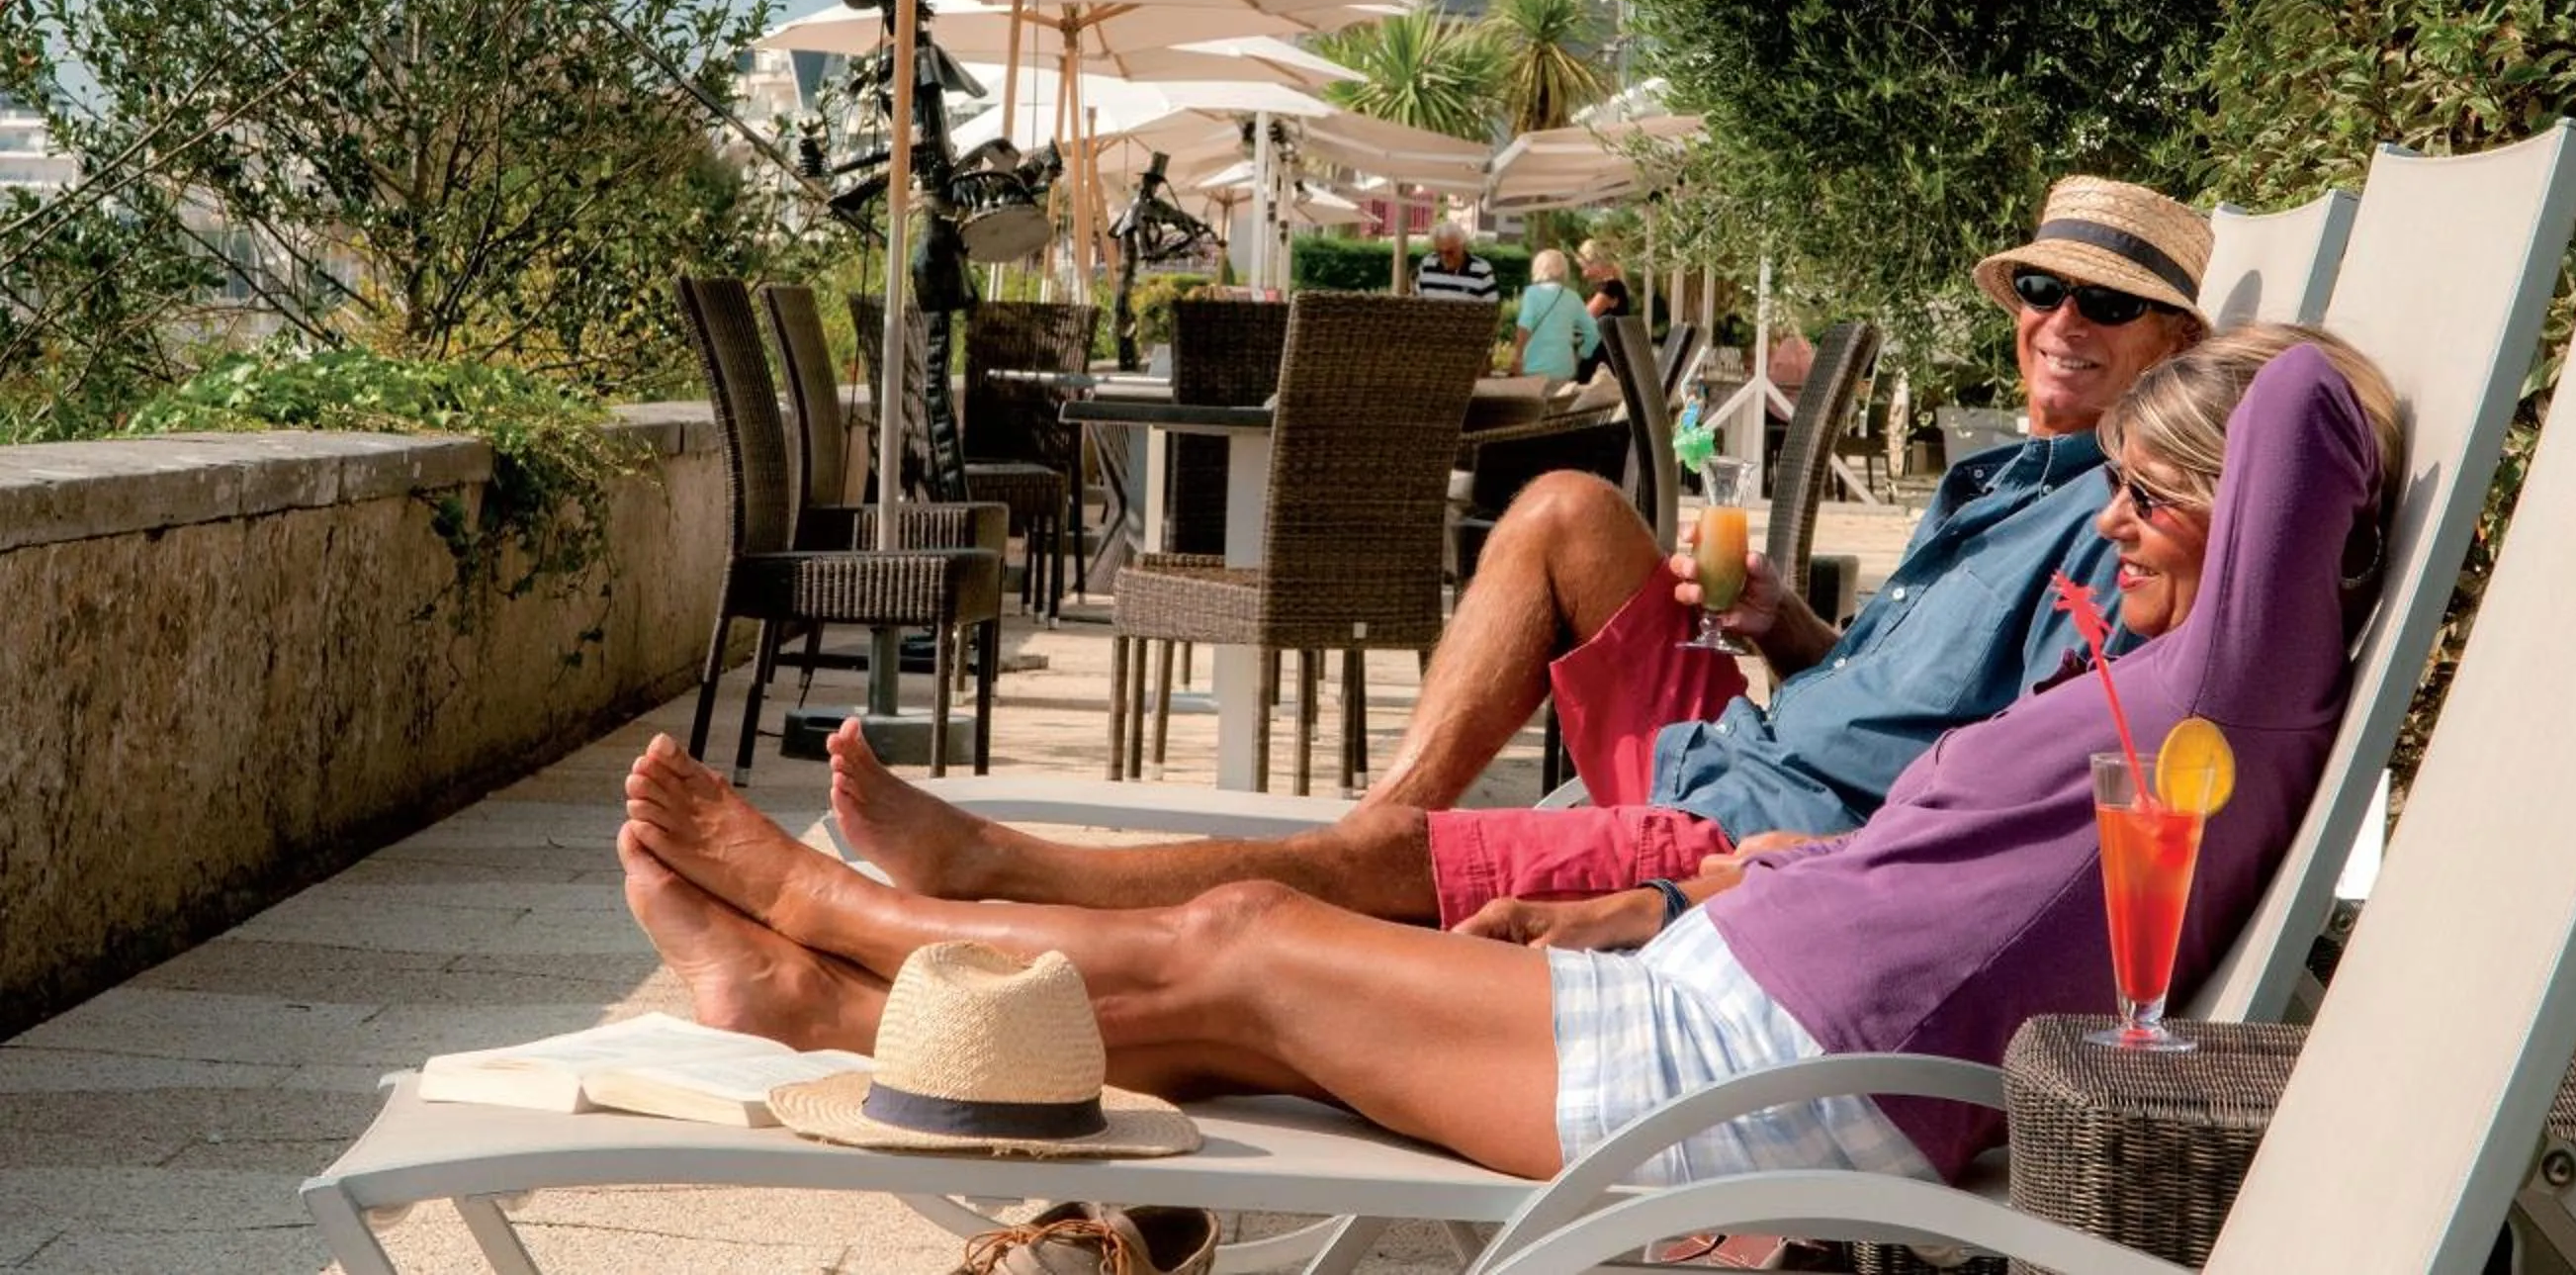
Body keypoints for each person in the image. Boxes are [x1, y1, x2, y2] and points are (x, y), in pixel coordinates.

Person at [619, 327, 2398, 1187]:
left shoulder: (2234, 679)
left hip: (1755, 1074)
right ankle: (828, 1002)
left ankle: (824, 906)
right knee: (1233, 1013)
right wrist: (1728, 881)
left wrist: (2222, 397)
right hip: (1743, 993)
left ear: (2249, 516)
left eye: (2158, 496)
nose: (2123, 523)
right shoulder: (2178, 676)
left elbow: (2313, 398)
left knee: (1246, 938)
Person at [823, 176, 2214, 931]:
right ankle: (1391, 823)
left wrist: (1744, 878)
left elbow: (1996, 787)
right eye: (2041, 288)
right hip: (1746, 740)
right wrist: (1794, 634)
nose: (2058, 321)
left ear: (2176, 348)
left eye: (2106, 302)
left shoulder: (2120, 533)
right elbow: (1907, 697)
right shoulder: (1990, 481)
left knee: (1349, 889)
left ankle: (1006, 867)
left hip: (1767, 834)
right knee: (1560, 506)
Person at [1514, 247, 1601, 381]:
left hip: (1534, 369)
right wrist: (1581, 355)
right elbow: (1594, 332)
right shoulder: (1573, 297)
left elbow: (1524, 327)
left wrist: (1517, 357)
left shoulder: (1532, 293)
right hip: (1564, 369)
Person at [1577, 240, 1632, 380]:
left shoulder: (1610, 287)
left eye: (1586, 267)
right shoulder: (1613, 287)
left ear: (1597, 263)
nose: (1584, 274)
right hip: (1609, 355)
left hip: (1604, 360)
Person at [1413, 221, 1500, 303]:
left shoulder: (1482, 269)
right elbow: (1418, 302)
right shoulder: (1427, 263)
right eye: (1439, 252)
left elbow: (1491, 308)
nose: (1444, 257)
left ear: (1463, 247)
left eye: (1450, 252)